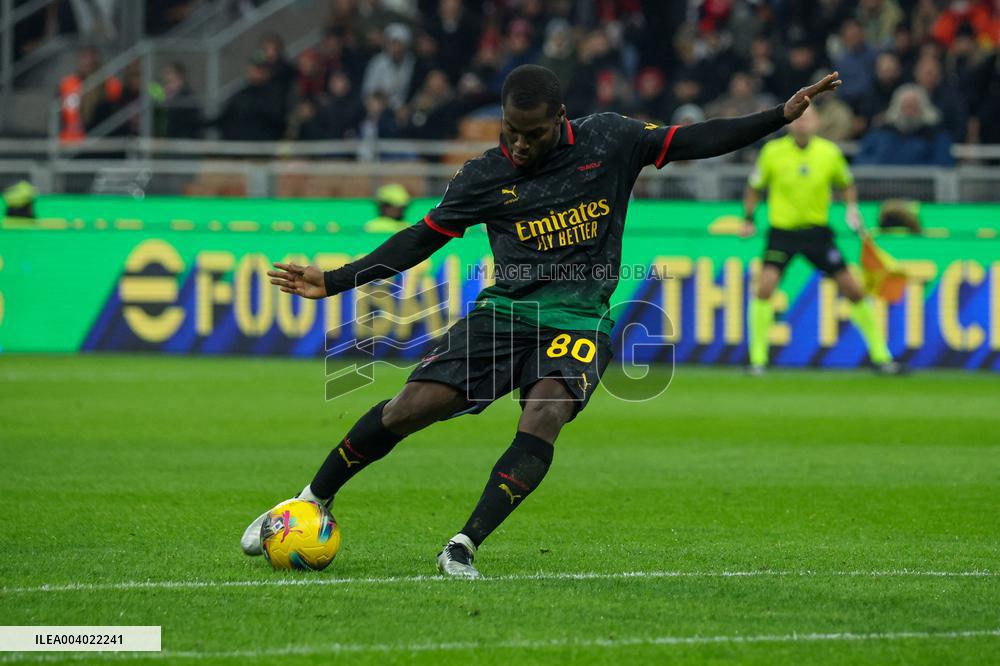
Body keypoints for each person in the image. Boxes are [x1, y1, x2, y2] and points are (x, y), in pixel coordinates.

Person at [243, 64, 844, 577]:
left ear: (560, 118)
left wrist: (777, 116)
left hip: (579, 318)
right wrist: (337, 280)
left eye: (532, 134)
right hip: (503, 315)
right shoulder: (484, 174)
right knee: (410, 408)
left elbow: (694, 139)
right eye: (511, 131)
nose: (520, 145)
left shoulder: (611, 140)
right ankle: (309, 501)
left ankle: (463, 545)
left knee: (547, 411)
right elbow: (421, 238)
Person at [742, 105, 903, 376]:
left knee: (853, 289)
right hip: (782, 233)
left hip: (817, 233)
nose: (802, 123)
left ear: (817, 123)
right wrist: (748, 218)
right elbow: (755, 187)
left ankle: (881, 357)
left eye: (808, 118)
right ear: (790, 122)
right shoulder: (772, 152)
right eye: (799, 118)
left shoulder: (829, 153)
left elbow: (846, 184)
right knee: (765, 287)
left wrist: (852, 209)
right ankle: (757, 359)